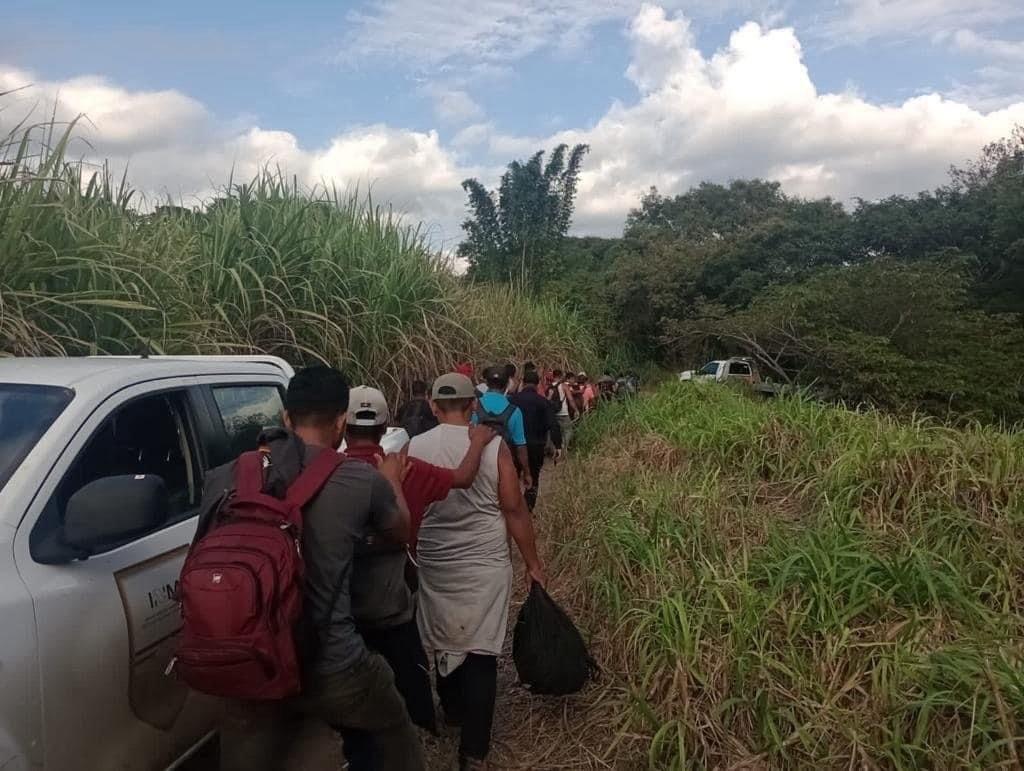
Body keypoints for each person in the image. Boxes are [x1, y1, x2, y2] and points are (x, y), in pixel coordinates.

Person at [206, 366, 425, 771]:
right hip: (333, 664)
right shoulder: (360, 479)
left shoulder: (225, 477)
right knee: (394, 730)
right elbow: (401, 533)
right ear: (341, 421)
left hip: (250, 659)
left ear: (286, 418)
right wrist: (392, 479)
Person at [342, 386, 497, 769]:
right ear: (383, 428)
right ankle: (424, 726)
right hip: (392, 597)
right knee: (409, 663)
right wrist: (477, 441)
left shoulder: (329, 471)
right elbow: (462, 477)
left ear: (342, 426)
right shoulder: (404, 466)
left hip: (342, 605)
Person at [408, 373, 546, 771]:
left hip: (436, 562)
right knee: (482, 649)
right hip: (485, 562)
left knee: (444, 639)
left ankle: (451, 710)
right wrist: (533, 564)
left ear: (433, 406)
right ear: (473, 406)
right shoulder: (493, 446)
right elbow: (514, 509)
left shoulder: (415, 447)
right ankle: (473, 751)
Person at [510, 369, 563, 510]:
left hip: (514, 446)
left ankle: (512, 506)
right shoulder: (543, 402)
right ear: (537, 383)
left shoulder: (512, 400)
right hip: (536, 446)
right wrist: (558, 445)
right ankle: (528, 508)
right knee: (533, 477)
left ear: (523, 382)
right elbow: (553, 424)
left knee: (512, 476)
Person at [474, 365, 531, 489]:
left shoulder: (475, 407)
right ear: (507, 384)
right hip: (505, 467)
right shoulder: (514, 411)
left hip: (478, 466)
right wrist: (527, 473)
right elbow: (521, 446)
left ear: (487, 383)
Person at [547, 368, 576, 448]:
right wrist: (575, 410)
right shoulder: (564, 386)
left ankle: (556, 449)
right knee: (568, 431)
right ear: (560, 376)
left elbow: (547, 400)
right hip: (564, 413)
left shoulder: (550, 387)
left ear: (553, 376)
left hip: (554, 413)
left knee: (556, 432)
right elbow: (570, 399)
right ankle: (564, 447)